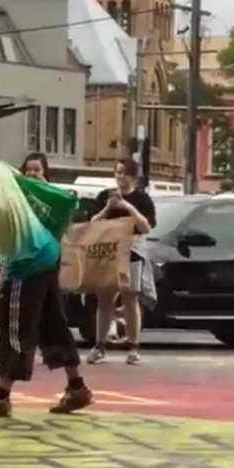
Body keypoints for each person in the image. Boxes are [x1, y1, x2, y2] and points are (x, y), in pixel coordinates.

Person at [0, 160, 93, 417]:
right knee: (52, 323)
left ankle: (0, 397)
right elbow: (27, 187)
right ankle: (77, 386)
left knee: (15, 329)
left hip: (28, 262)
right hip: (49, 249)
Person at [86, 156, 156, 365]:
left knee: (129, 297)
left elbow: (146, 227)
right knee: (104, 299)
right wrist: (107, 208)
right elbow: (92, 224)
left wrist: (128, 207)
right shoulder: (105, 197)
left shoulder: (142, 199)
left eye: (124, 173)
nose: (120, 177)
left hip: (132, 252)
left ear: (133, 177)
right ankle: (100, 345)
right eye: (117, 172)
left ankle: (134, 346)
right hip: (108, 252)